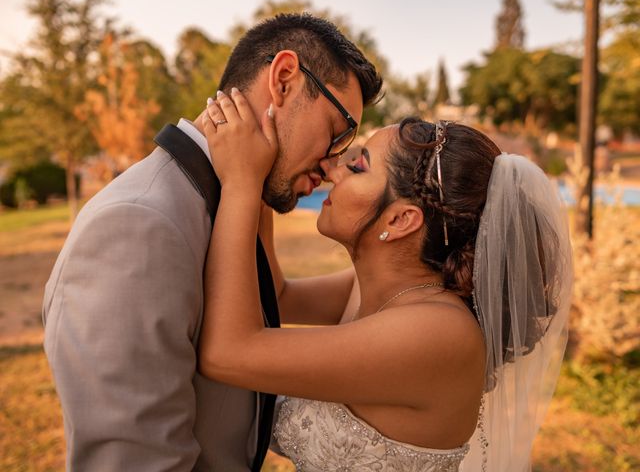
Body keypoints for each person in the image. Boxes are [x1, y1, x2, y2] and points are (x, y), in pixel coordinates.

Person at [41, 14, 382, 471]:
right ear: (283, 80)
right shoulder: (136, 226)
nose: (332, 164)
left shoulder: (225, 205)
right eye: (338, 134)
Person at [198, 91, 573, 471]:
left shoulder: (438, 332)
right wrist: (268, 178)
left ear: (399, 220)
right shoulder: (376, 288)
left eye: (358, 168)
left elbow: (226, 353)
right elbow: (276, 296)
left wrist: (240, 182)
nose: (333, 170)